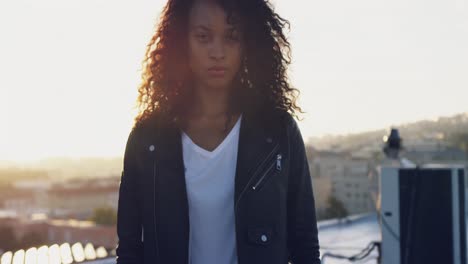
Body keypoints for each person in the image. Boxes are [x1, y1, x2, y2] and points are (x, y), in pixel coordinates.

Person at [115, 0, 321, 263]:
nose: (217, 52)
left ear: (247, 43)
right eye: (203, 37)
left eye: (231, 37)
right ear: (182, 42)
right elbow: (130, 250)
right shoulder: (148, 138)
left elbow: (304, 244)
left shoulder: (278, 132)